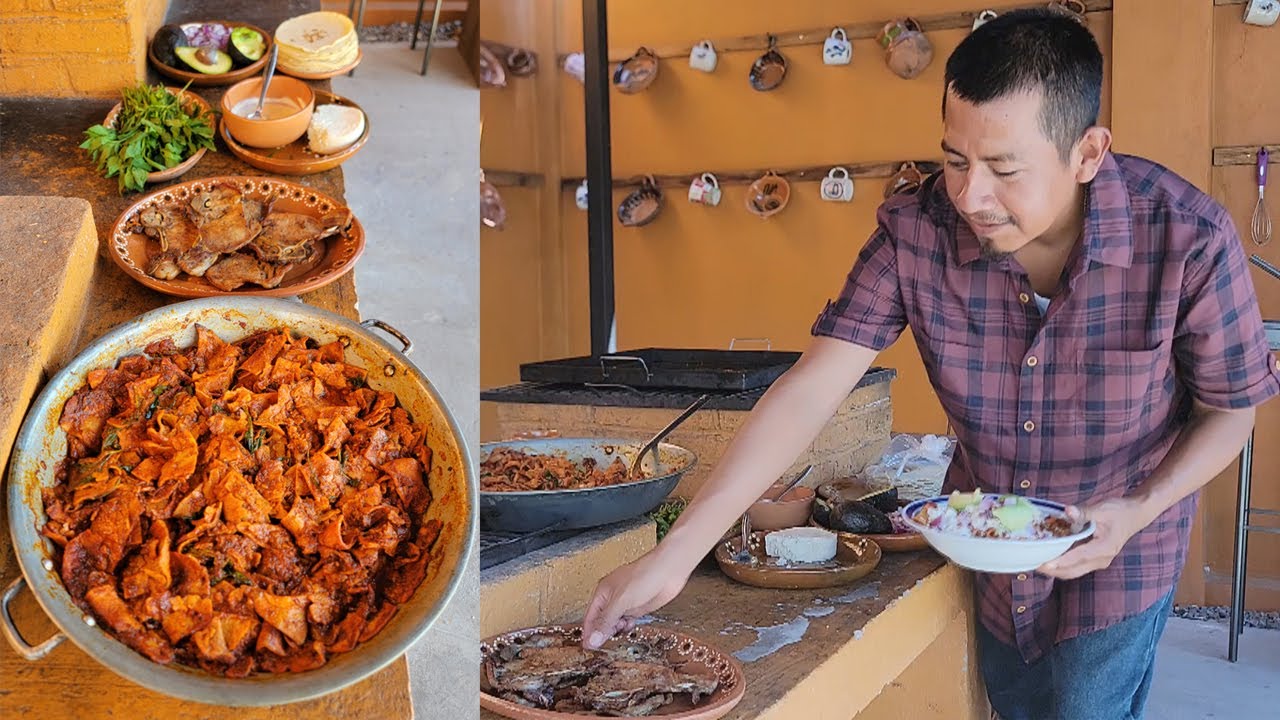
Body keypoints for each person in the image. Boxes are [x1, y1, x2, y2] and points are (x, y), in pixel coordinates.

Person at [579, 8, 1280, 720]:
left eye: (1005, 169)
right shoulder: (916, 233)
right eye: (954, 160)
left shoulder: (1187, 236)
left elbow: (1232, 411)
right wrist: (676, 554)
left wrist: (1137, 511)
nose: (970, 195)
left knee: (1083, 707)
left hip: (1126, 546)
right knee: (1011, 702)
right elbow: (811, 388)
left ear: (1088, 153)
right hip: (987, 554)